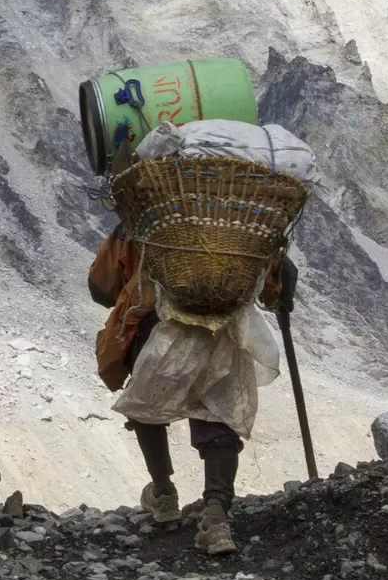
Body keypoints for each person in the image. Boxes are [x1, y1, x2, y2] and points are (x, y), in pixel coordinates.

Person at [89, 223, 294, 555]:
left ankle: (163, 494)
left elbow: (101, 287)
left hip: (160, 324)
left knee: (147, 403)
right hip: (227, 325)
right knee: (219, 414)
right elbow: (273, 294)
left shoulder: (148, 212)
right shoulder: (251, 220)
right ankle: (216, 519)